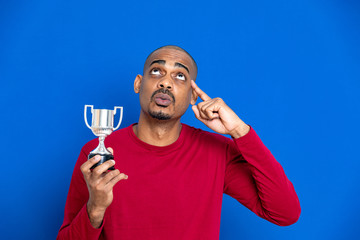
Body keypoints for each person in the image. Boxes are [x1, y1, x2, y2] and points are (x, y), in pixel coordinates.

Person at [57, 45, 301, 240]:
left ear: (193, 95)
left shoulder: (217, 152)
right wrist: (95, 209)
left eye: (180, 76)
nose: (166, 82)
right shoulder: (97, 153)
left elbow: (285, 212)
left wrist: (240, 131)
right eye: (156, 71)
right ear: (138, 84)